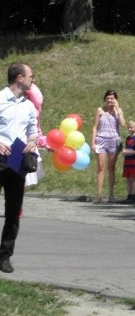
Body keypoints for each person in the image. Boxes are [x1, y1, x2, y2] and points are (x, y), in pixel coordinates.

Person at [0, 62, 39, 273]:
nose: (33, 79)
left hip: (17, 161)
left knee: (13, 211)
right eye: (31, 76)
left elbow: (33, 130)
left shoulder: (28, 105)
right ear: (20, 78)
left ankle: (5, 255)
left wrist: (32, 140)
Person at [91, 89, 126, 203]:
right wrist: (93, 142)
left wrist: (117, 109)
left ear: (115, 99)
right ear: (105, 100)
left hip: (113, 140)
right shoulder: (100, 110)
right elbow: (95, 127)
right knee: (101, 167)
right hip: (101, 139)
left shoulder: (118, 110)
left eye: (112, 98)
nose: (110, 100)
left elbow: (123, 124)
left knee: (111, 168)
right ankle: (99, 195)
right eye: (108, 98)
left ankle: (111, 195)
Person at [22, 81, 46, 216]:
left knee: (27, 178)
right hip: (13, 143)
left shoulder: (32, 107)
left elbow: (36, 127)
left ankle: (17, 204)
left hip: (29, 143)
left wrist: (42, 141)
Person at [121, 120, 135, 204]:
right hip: (127, 161)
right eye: (129, 127)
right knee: (128, 179)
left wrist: (128, 152)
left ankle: (133, 196)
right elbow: (126, 148)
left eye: (131, 127)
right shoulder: (128, 138)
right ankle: (128, 196)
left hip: (133, 161)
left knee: (133, 179)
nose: (129, 129)